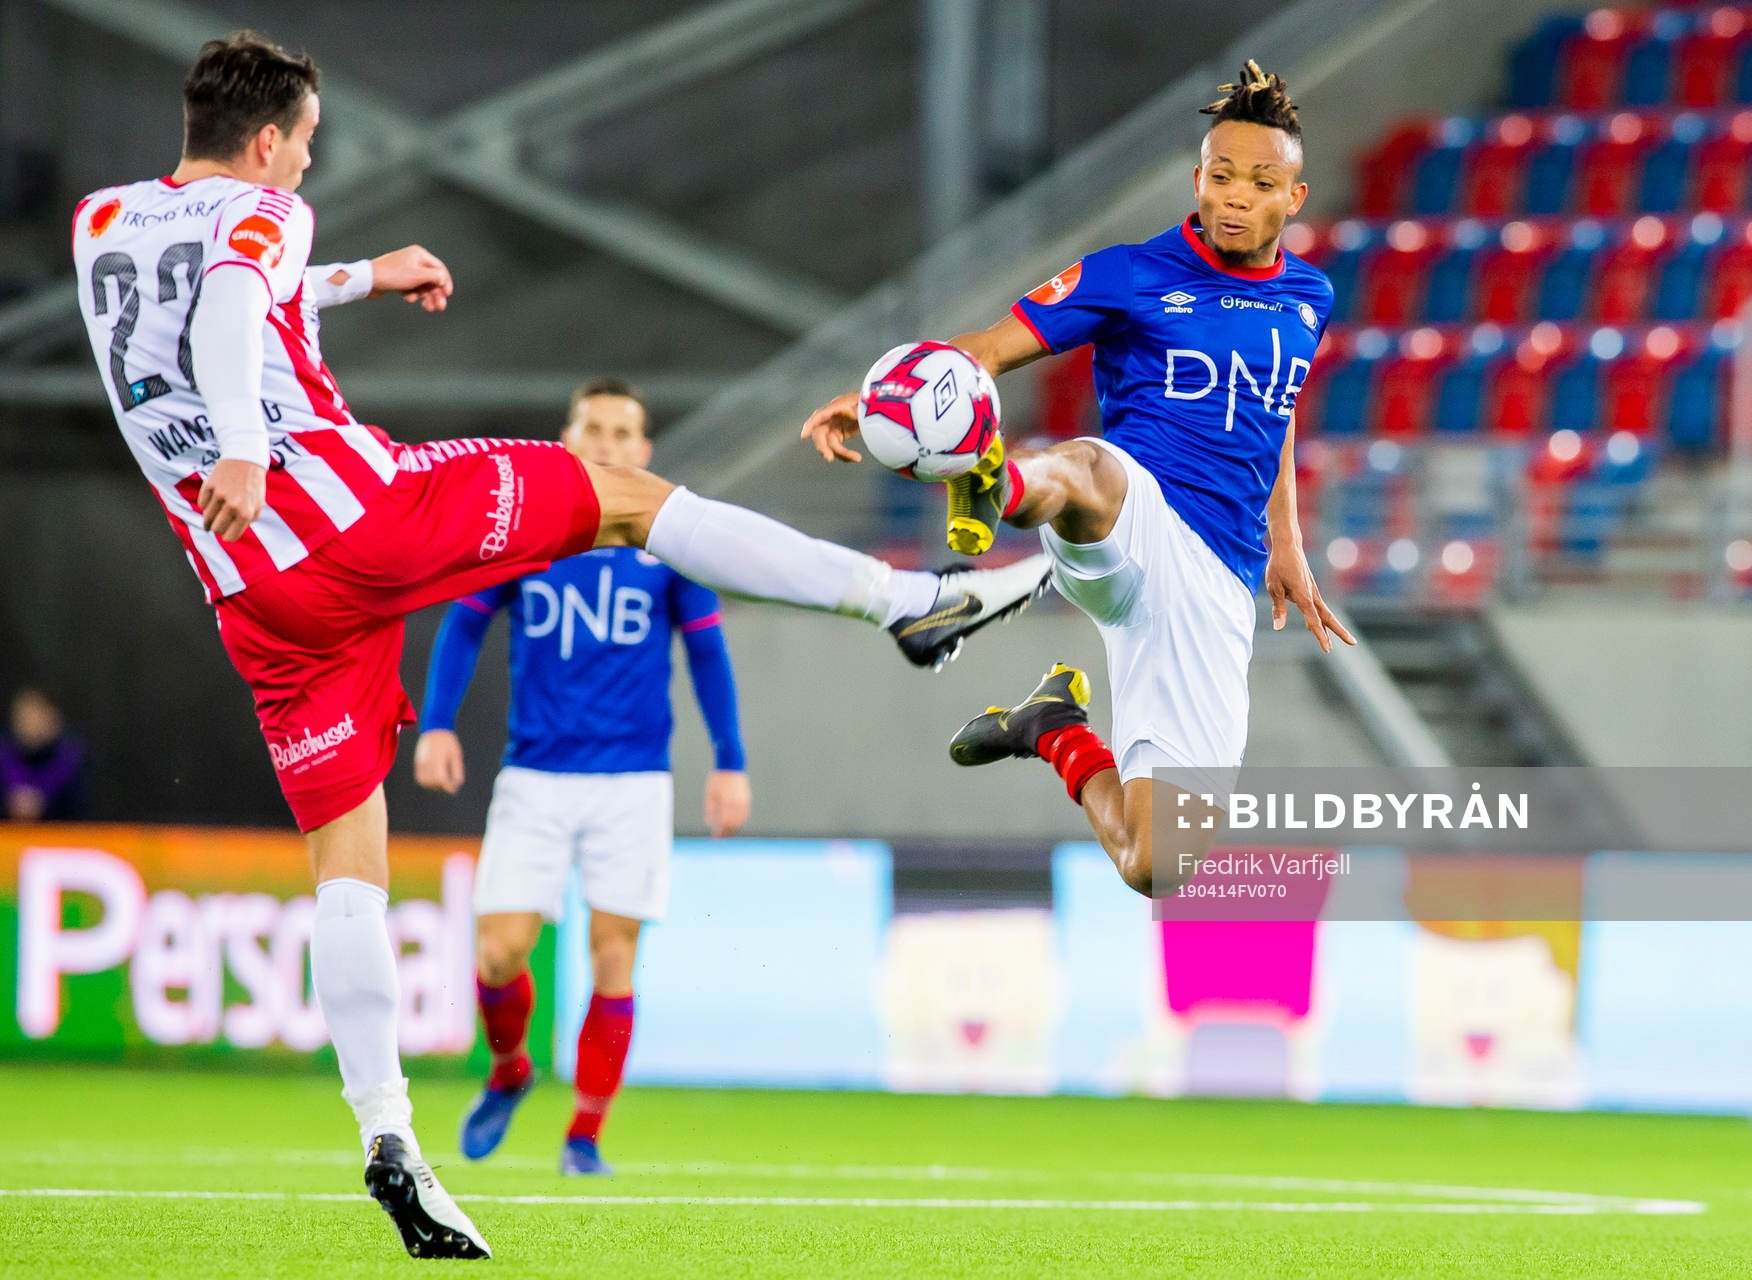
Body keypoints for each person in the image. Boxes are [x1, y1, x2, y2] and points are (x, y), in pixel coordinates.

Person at [71, 31, 1048, 1260]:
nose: (308, 170)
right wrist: (246, 447)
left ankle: (391, 1138)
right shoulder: (269, 216)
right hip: (348, 511)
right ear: (268, 144)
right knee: (626, 498)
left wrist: (363, 276)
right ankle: (900, 602)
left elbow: (209, 292)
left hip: (253, 598)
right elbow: (228, 301)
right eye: (307, 149)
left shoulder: (103, 219)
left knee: (347, 859)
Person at [805, 62, 1355, 899]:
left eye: (1260, 182)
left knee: (1158, 867)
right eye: (1221, 176)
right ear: (1197, 179)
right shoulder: (1129, 274)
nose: (1236, 196)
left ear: (1295, 196)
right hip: (1132, 516)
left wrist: (1287, 539)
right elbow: (988, 349)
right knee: (1089, 469)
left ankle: (1052, 727)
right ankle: (996, 478)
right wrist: (878, 396)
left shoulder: (1310, 296)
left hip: (1215, 584)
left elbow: (1271, 415)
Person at [412, 377, 750, 1177]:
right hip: (533, 775)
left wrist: (730, 760)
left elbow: (708, 654)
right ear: (568, 438)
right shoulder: (527, 531)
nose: (604, 441)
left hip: (633, 781)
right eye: (591, 426)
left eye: (621, 430)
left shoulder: (671, 539)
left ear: (643, 449)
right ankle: (510, 1071)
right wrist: (434, 724)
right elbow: (462, 625)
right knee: (498, 954)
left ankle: (584, 1137)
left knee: (612, 957)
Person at [2, 687, 87, 821]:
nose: (31, 724)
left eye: (37, 716)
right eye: (24, 718)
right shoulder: (5, 755)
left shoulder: (71, 757)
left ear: (53, 718)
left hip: (59, 836)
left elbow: (80, 807)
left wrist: (44, 805)